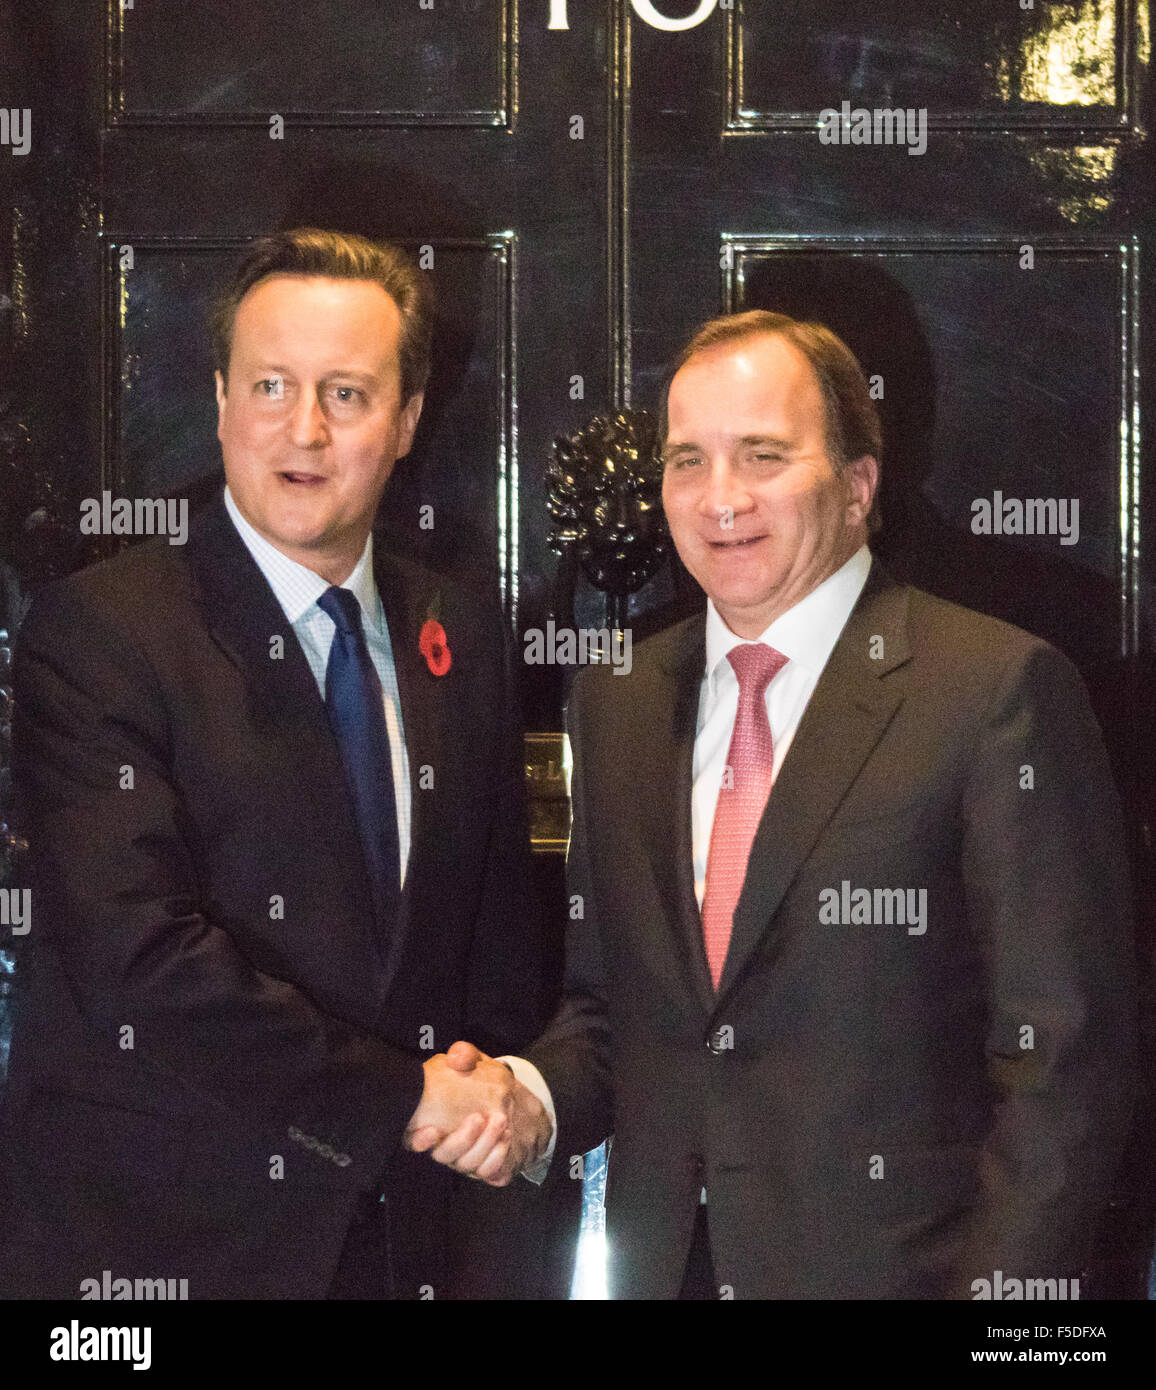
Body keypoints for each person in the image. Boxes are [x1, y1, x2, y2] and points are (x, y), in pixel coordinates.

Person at [413, 309, 1139, 1299]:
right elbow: (615, 1015)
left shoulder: (993, 688)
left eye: (762, 455)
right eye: (686, 461)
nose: (719, 500)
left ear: (857, 484)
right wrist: (526, 1098)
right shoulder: (617, 698)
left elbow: (1064, 1064)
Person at [0, 228, 550, 1300]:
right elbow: (138, 955)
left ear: (405, 420)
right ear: (218, 400)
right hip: (158, 1256)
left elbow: (495, 946)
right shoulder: (101, 632)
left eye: (346, 393)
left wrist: (511, 1100)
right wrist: (403, 1098)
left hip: (406, 1247)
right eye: (270, 385)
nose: (303, 429)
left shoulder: (461, 631)